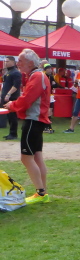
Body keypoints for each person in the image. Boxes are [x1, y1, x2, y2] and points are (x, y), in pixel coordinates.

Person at [3, 50, 51, 204]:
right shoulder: (37, 75)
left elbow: (26, 99)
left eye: (21, 61)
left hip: (33, 120)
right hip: (36, 120)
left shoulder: (37, 76)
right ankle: (43, 192)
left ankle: (41, 192)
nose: (18, 64)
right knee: (36, 156)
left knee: (26, 157)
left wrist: (12, 105)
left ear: (30, 63)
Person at [2, 55, 23, 140]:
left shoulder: (16, 72)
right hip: (5, 96)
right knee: (9, 116)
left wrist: (8, 94)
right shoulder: (8, 72)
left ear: (13, 62)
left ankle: (13, 134)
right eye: (5, 61)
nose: (5, 63)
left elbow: (16, 85)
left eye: (7, 61)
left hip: (12, 97)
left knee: (12, 116)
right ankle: (11, 133)